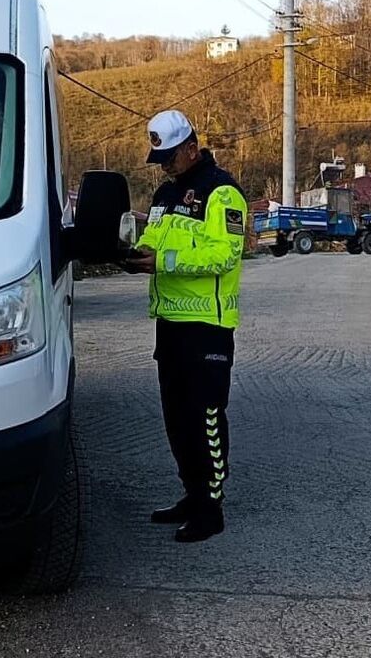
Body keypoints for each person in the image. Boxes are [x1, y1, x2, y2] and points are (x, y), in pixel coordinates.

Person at [126, 110, 248, 543]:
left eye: (169, 156)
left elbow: (224, 256)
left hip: (208, 326)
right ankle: (191, 493)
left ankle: (210, 507)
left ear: (192, 147)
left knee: (206, 418)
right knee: (176, 419)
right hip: (170, 324)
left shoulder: (223, 193)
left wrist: (163, 262)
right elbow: (154, 242)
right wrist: (135, 253)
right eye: (158, 158)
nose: (163, 165)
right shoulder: (163, 194)